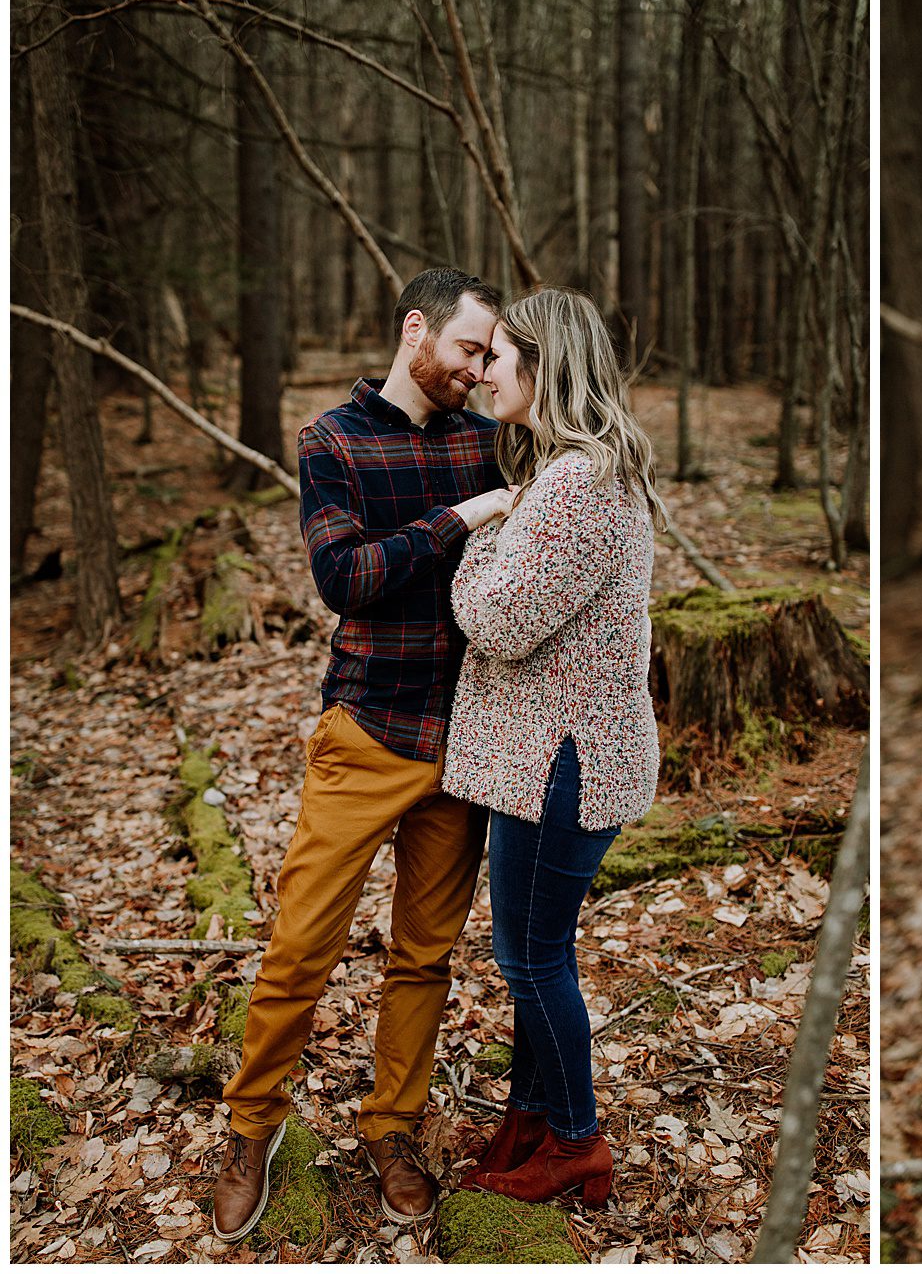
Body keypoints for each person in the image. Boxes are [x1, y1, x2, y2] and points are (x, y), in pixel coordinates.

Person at [214, 268, 515, 1242]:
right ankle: (252, 1124)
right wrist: (458, 519)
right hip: (366, 733)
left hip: (464, 744)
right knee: (301, 942)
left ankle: (393, 1127)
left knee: (423, 957)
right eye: (469, 348)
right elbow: (346, 576)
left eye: (489, 355)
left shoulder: (490, 440)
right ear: (416, 329)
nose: (478, 368)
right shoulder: (331, 442)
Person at [440, 287, 664, 1206]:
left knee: (533, 960)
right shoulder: (575, 471)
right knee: (539, 952)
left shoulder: (577, 483)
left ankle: (577, 1139)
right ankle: (531, 1116)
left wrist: (478, 535)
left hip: (561, 758)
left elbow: (496, 622)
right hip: (554, 751)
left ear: (543, 365)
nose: (483, 371)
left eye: (497, 356)